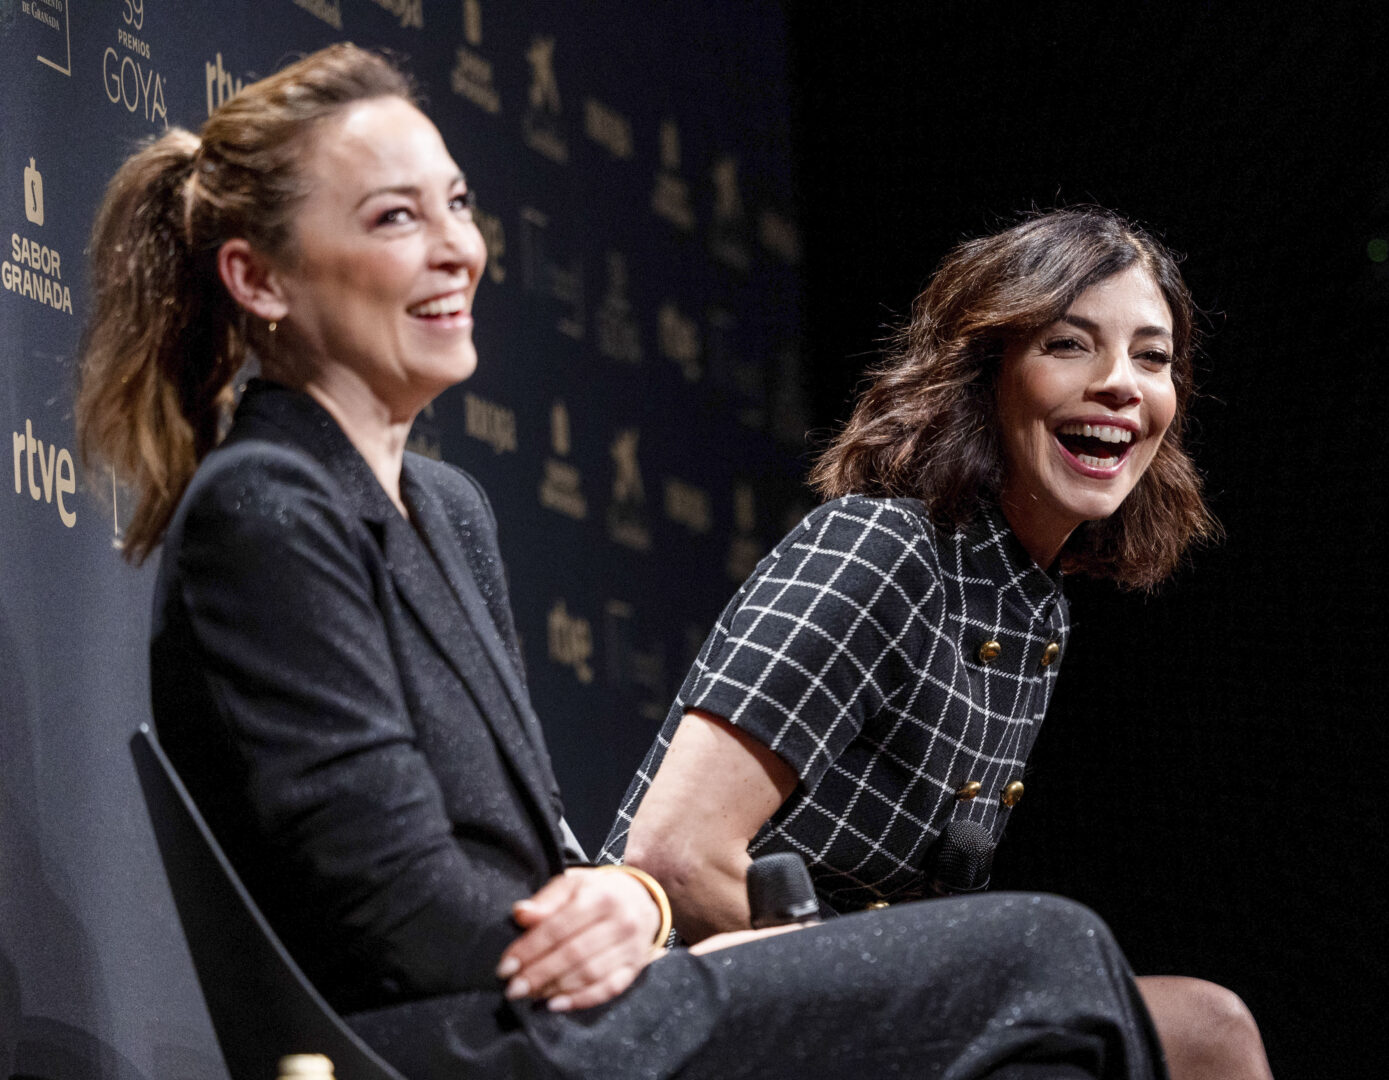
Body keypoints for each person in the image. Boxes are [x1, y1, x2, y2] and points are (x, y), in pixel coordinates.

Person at [77, 44, 1171, 1080]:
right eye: (394, 217)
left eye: (456, 204)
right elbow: (392, 908)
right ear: (258, 279)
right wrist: (636, 930)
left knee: (1053, 1007)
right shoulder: (264, 506)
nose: (457, 245)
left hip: (558, 1011)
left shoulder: (446, 509)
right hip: (476, 1042)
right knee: (1051, 952)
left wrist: (633, 911)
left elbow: (534, 855)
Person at [604, 208, 1274, 1080]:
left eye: (1152, 357)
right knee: (1190, 1026)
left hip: (839, 1007)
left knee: (1189, 1033)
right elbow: (675, 857)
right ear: (984, 372)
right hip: (679, 1012)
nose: (1121, 384)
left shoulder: (1035, 613)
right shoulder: (880, 548)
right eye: (1069, 344)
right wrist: (886, 1005)